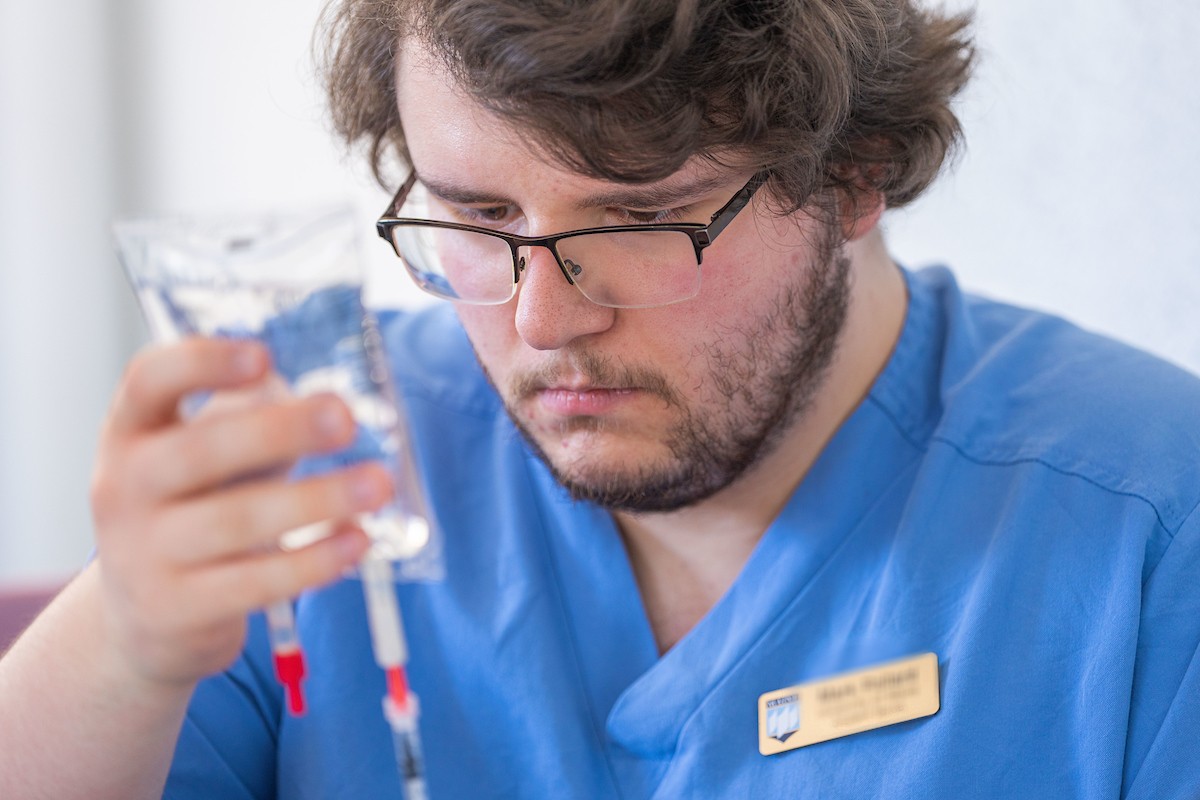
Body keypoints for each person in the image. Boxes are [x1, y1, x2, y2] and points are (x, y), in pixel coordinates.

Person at [2, 1, 1199, 797]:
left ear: (854, 173)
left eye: (636, 220)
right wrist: (128, 647)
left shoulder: (1144, 524)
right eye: (478, 218)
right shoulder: (326, 460)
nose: (540, 319)